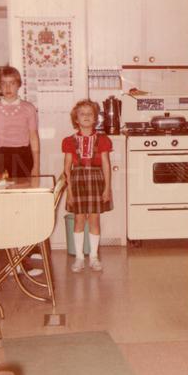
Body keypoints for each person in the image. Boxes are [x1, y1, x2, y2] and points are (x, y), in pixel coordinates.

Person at [62, 99, 112, 272]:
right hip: (77, 183)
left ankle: (94, 257)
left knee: (94, 219)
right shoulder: (69, 141)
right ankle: (79, 258)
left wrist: (107, 188)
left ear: (95, 118)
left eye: (90, 114)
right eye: (82, 114)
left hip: (96, 182)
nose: (86, 117)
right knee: (79, 219)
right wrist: (69, 191)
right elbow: (67, 168)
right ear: (76, 119)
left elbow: (106, 164)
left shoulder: (103, 139)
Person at [0, 66, 40, 178]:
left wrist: (36, 166)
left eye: (12, 83)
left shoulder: (29, 108)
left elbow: (33, 137)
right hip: (0, 155)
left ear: (18, 84)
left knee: (23, 190)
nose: (8, 87)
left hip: (23, 154)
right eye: (4, 83)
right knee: (1, 192)